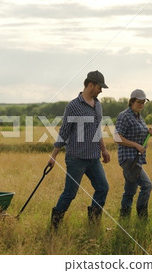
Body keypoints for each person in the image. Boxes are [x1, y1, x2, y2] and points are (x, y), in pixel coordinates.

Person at [48, 70, 110, 229]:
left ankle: (93, 223)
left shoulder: (98, 105)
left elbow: (97, 130)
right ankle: (55, 226)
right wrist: (53, 156)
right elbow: (63, 132)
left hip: (94, 158)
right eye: (99, 87)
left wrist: (103, 150)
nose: (101, 90)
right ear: (91, 85)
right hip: (76, 159)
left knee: (103, 188)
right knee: (70, 193)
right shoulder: (73, 106)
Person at [115, 89, 152, 219]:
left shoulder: (139, 117)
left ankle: (124, 219)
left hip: (137, 159)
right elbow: (117, 137)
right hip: (129, 159)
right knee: (147, 185)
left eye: (144, 102)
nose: (142, 104)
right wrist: (136, 145)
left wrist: (148, 132)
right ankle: (142, 217)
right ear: (132, 101)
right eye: (139, 102)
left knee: (130, 191)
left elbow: (138, 134)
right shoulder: (124, 116)